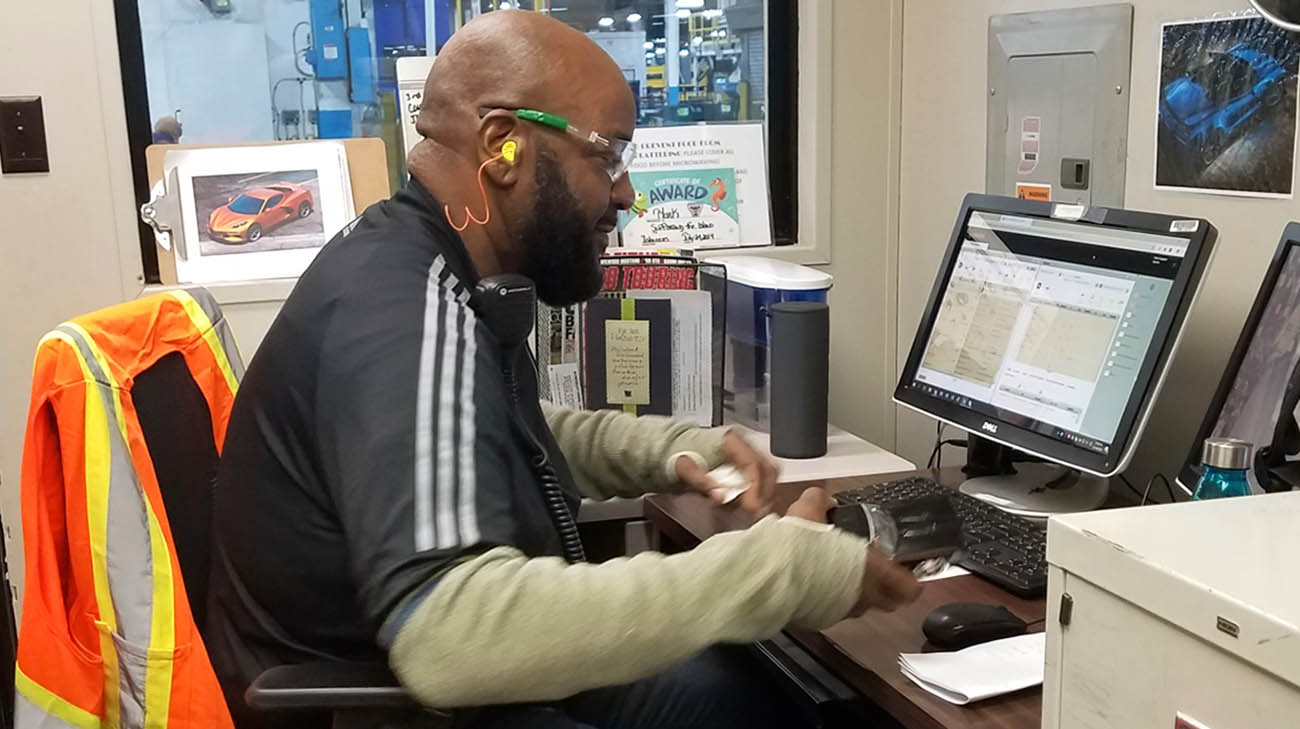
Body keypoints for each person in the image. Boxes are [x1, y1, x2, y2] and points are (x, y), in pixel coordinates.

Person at [206, 10, 921, 729]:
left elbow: (483, 428)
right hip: (395, 705)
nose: (626, 193)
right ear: (502, 145)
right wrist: (781, 569)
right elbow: (449, 636)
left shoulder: (424, 261)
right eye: (608, 156)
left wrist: (666, 451)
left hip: (436, 688)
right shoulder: (404, 309)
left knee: (747, 692)